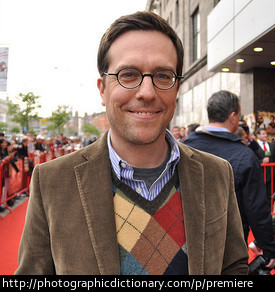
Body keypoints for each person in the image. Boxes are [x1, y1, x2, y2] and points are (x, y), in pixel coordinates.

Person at [16, 11, 248, 275]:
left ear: (177, 89)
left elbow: (233, 266)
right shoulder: (52, 182)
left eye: (162, 76)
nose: (147, 93)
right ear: (102, 89)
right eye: (128, 74)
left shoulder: (217, 173)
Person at [184, 90, 275, 269]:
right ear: (233, 116)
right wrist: (268, 247)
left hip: (187, 243)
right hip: (230, 248)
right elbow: (256, 208)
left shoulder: (184, 147)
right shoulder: (244, 155)